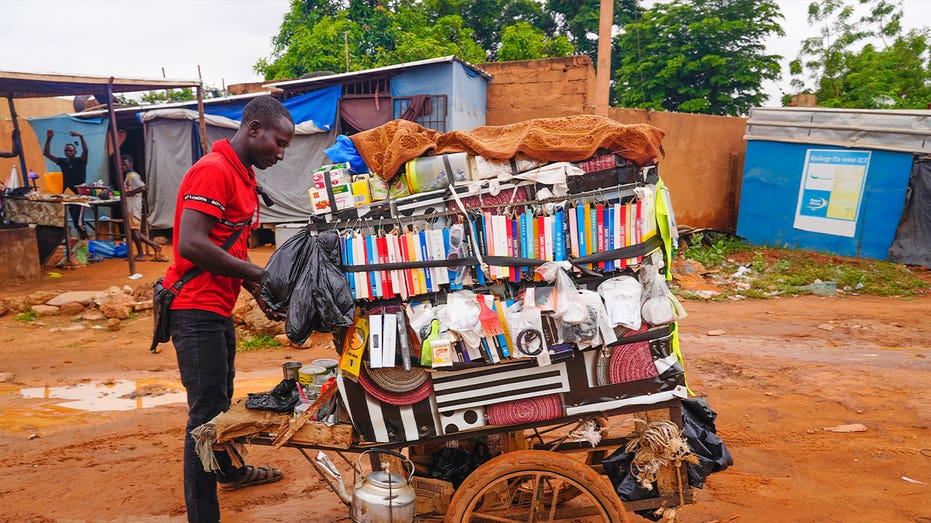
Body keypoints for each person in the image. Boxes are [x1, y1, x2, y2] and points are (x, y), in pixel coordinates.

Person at [161, 96, 294, 523]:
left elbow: (228, 244)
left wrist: (257, 292)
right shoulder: (213, 171)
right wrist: (260, 274)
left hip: (217, 307)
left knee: (222, 403)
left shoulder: (242, 176)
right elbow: (192, 244)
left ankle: (231, 472)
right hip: (193, 308)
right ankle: (205, 516)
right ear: (254, 129)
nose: (281, 151)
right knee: (204, 417)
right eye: (279, 141)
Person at [43, 129, 89, 239]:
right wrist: (49, 139)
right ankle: (82, 243)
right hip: (69, 197)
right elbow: (46, 153)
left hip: (79, 197)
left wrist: (81, 137)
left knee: (79, 223)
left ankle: (86, 243)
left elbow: (86, 151)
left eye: (70, 151)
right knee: (75, 221)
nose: (68, 152)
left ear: (75, 152)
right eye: (66, 151)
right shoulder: (63, 162)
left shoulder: (81, 161)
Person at [120, 154, 167, 262]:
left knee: (135, 231)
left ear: (131, 164)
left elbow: (143, 187)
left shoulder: (132, 176)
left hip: (133, 207)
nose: (123, 167)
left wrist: (128, 193)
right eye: (121, 165)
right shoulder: (129, 176)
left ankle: (153, 246)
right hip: (131, 206)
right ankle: (142, 253)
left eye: (125, 165)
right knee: (133, 231)